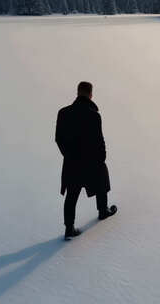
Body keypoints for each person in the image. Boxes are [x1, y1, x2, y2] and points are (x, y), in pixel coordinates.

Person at [56, 81, 117, 240]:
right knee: (101, 181)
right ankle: (103, 211)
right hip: (91, 161)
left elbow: (58, 139)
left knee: (71, 195)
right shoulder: (94, 115)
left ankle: (69, 229)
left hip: (72, 162)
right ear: (91, 95)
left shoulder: (63, 113)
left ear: (77, 92)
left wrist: (68, 154)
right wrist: (101, 158)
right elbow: (99, 140)